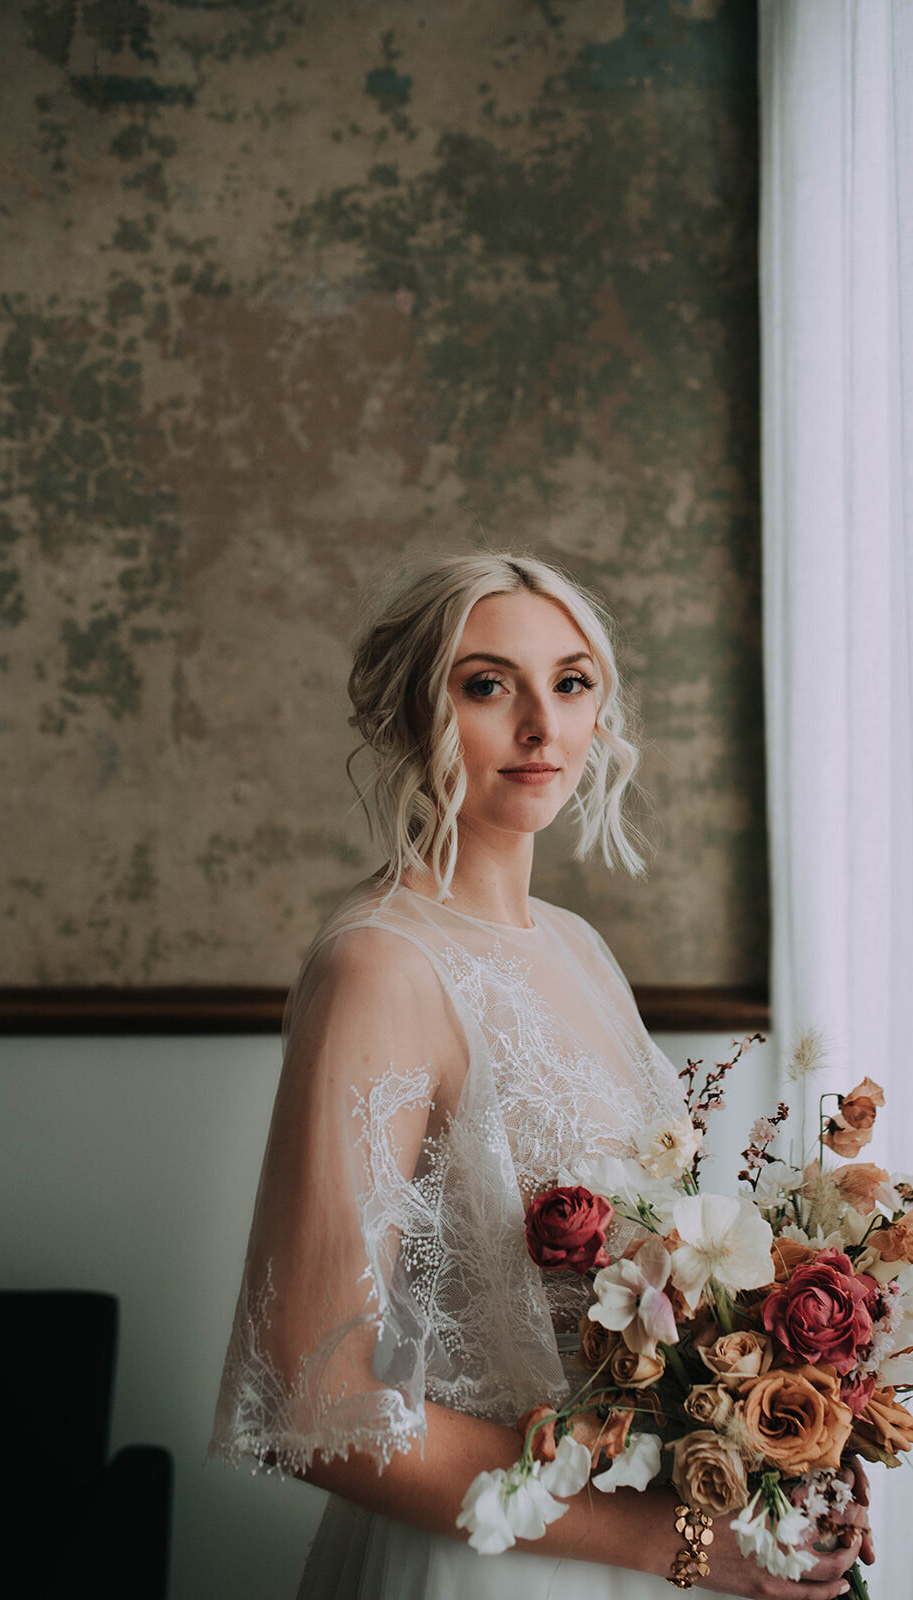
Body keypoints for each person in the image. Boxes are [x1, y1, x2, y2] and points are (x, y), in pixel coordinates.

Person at [209, 553, 872, 1599]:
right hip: (493, 1560)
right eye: (487, 685)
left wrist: (773, 1456)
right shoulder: (380, 963)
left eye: (570, 683)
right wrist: (676, 1543)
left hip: (645, 1528)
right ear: (407, 716)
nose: (542, 726)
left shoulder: (572, 944)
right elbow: (314, 1401)